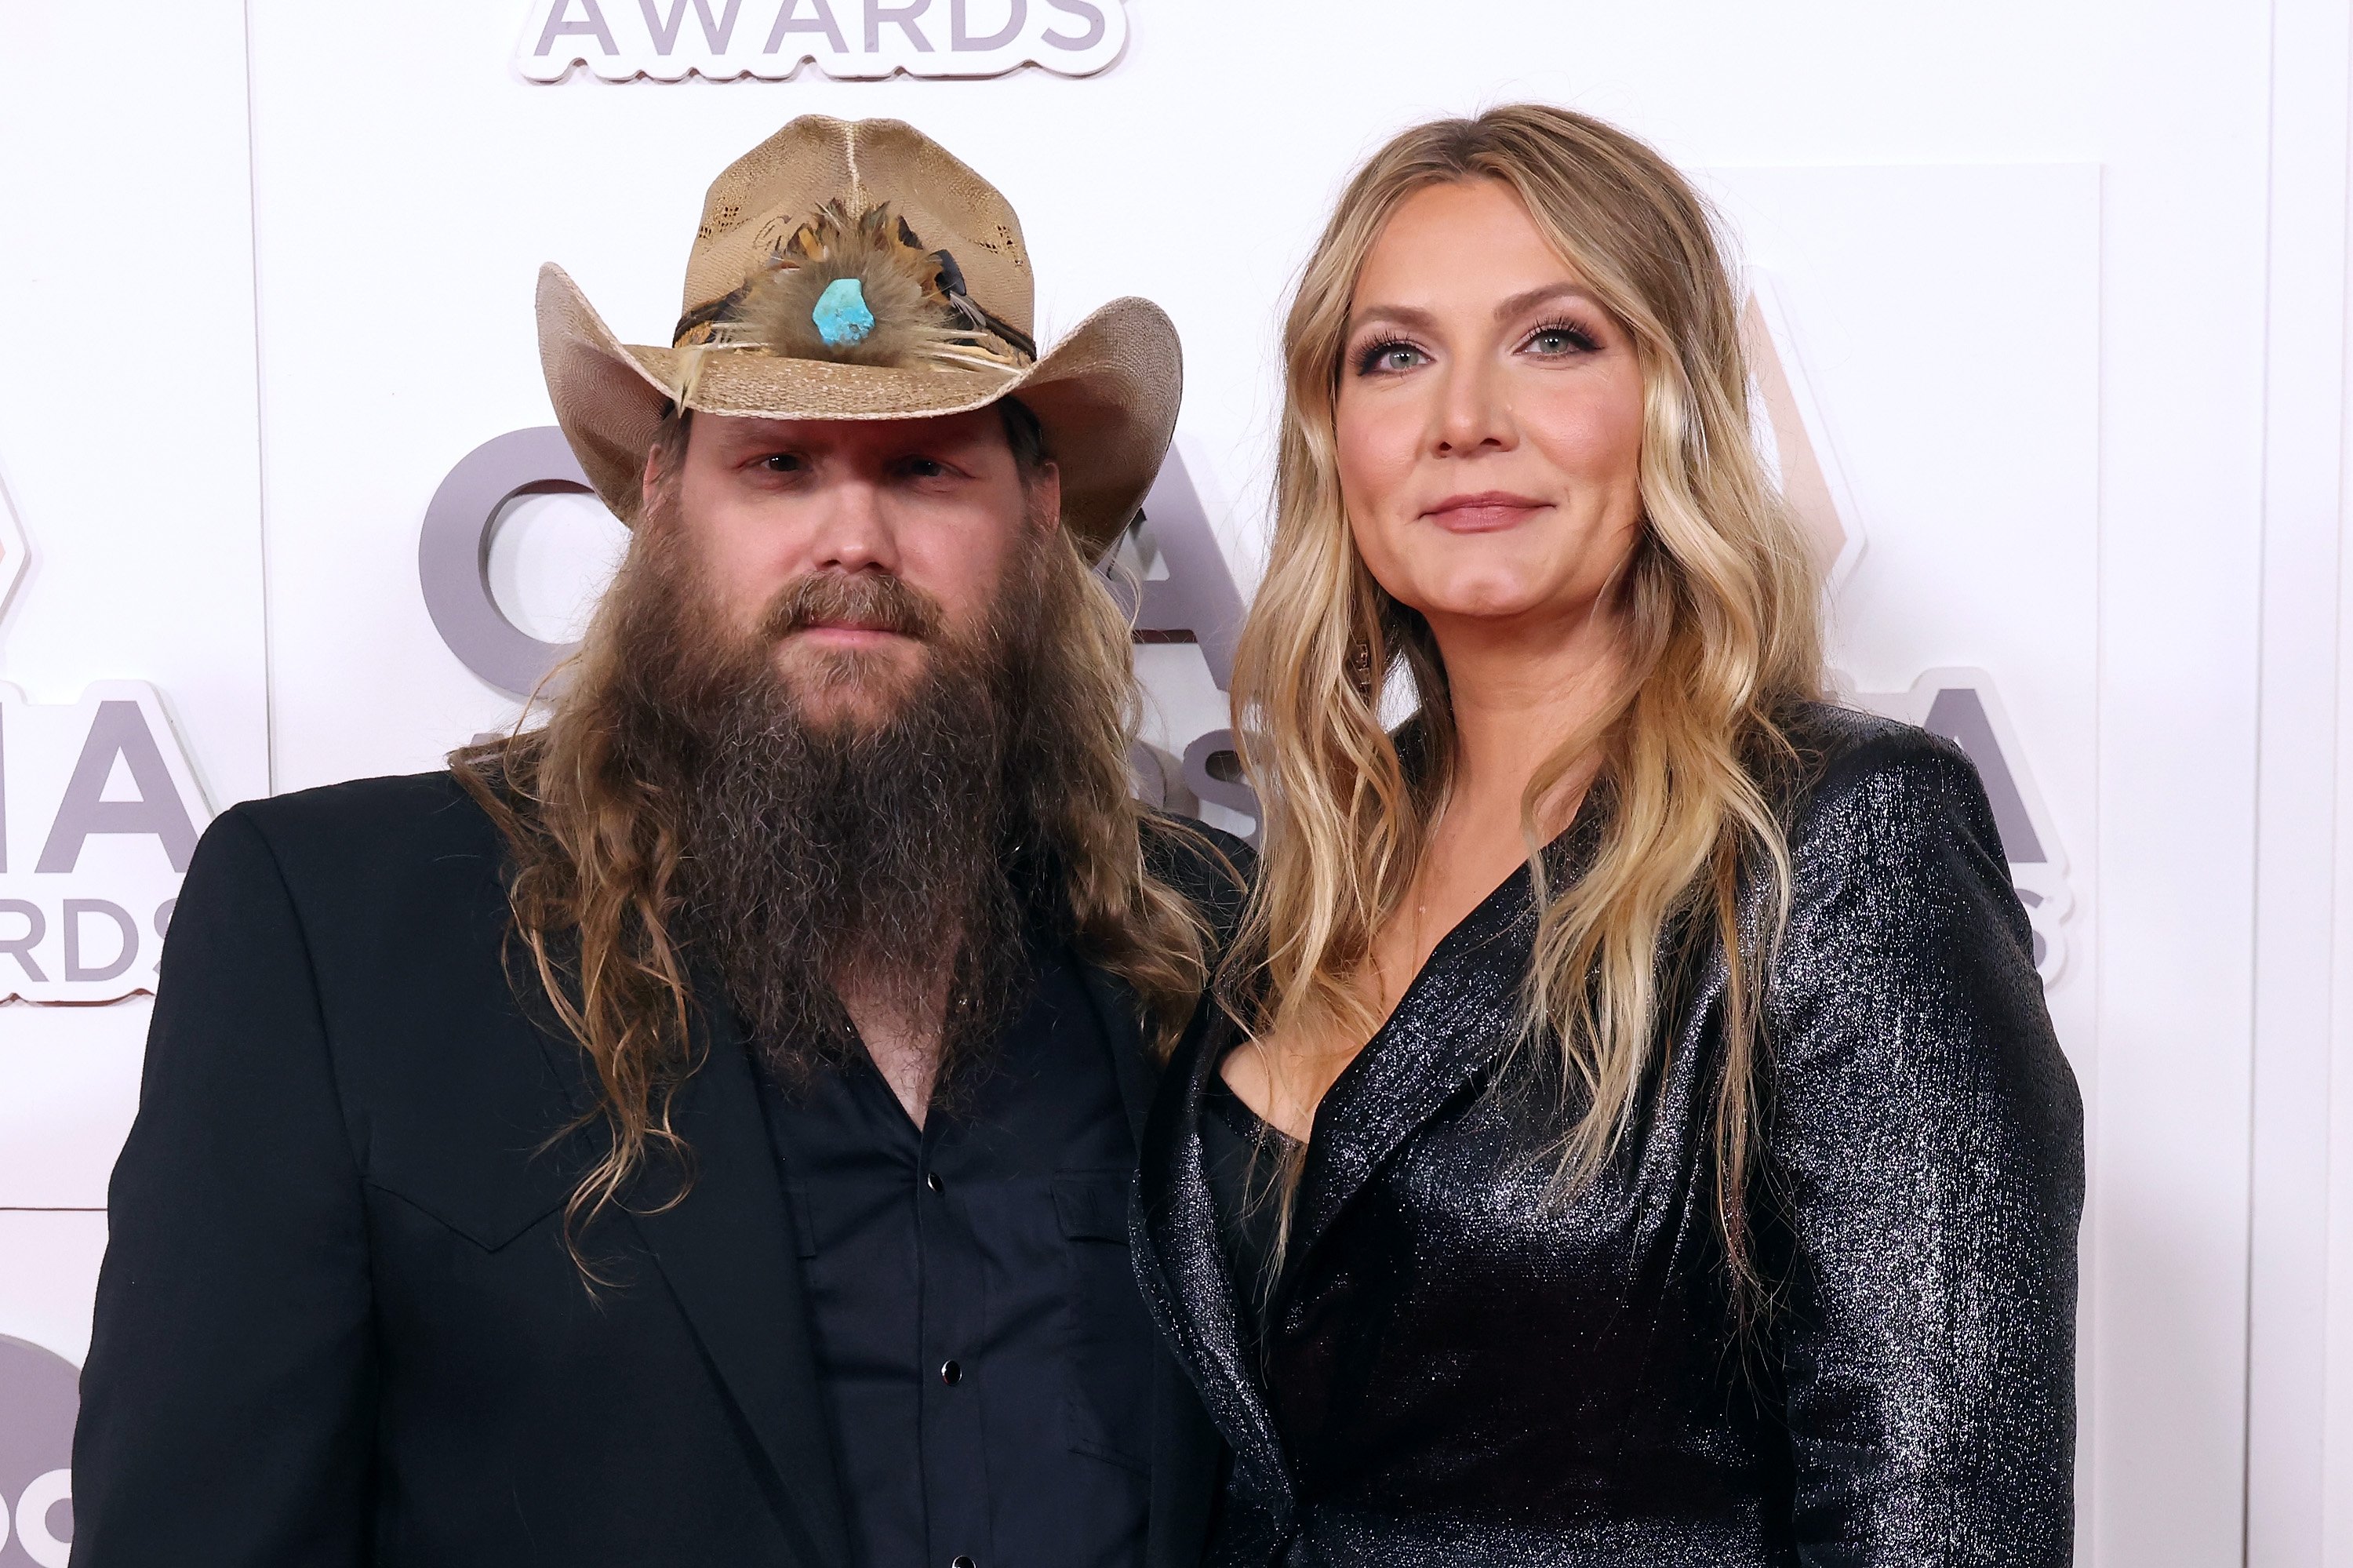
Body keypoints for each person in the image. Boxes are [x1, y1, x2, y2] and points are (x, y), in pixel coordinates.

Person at [74, 116, 1246, 1568]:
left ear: (1040, 511)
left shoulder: (1217, 942)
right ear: (661, 503)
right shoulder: (336, 934)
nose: (852, 541)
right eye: (780, 465)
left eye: (927, 470)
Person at [1131, 104, 2084, 1566]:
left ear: (1676, 400)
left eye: (1555, 338)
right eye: (1394, 354)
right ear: (1338, 440)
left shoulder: (1833, 845)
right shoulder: (1311, 874)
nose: (1465, 419)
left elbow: (1944, 1523)